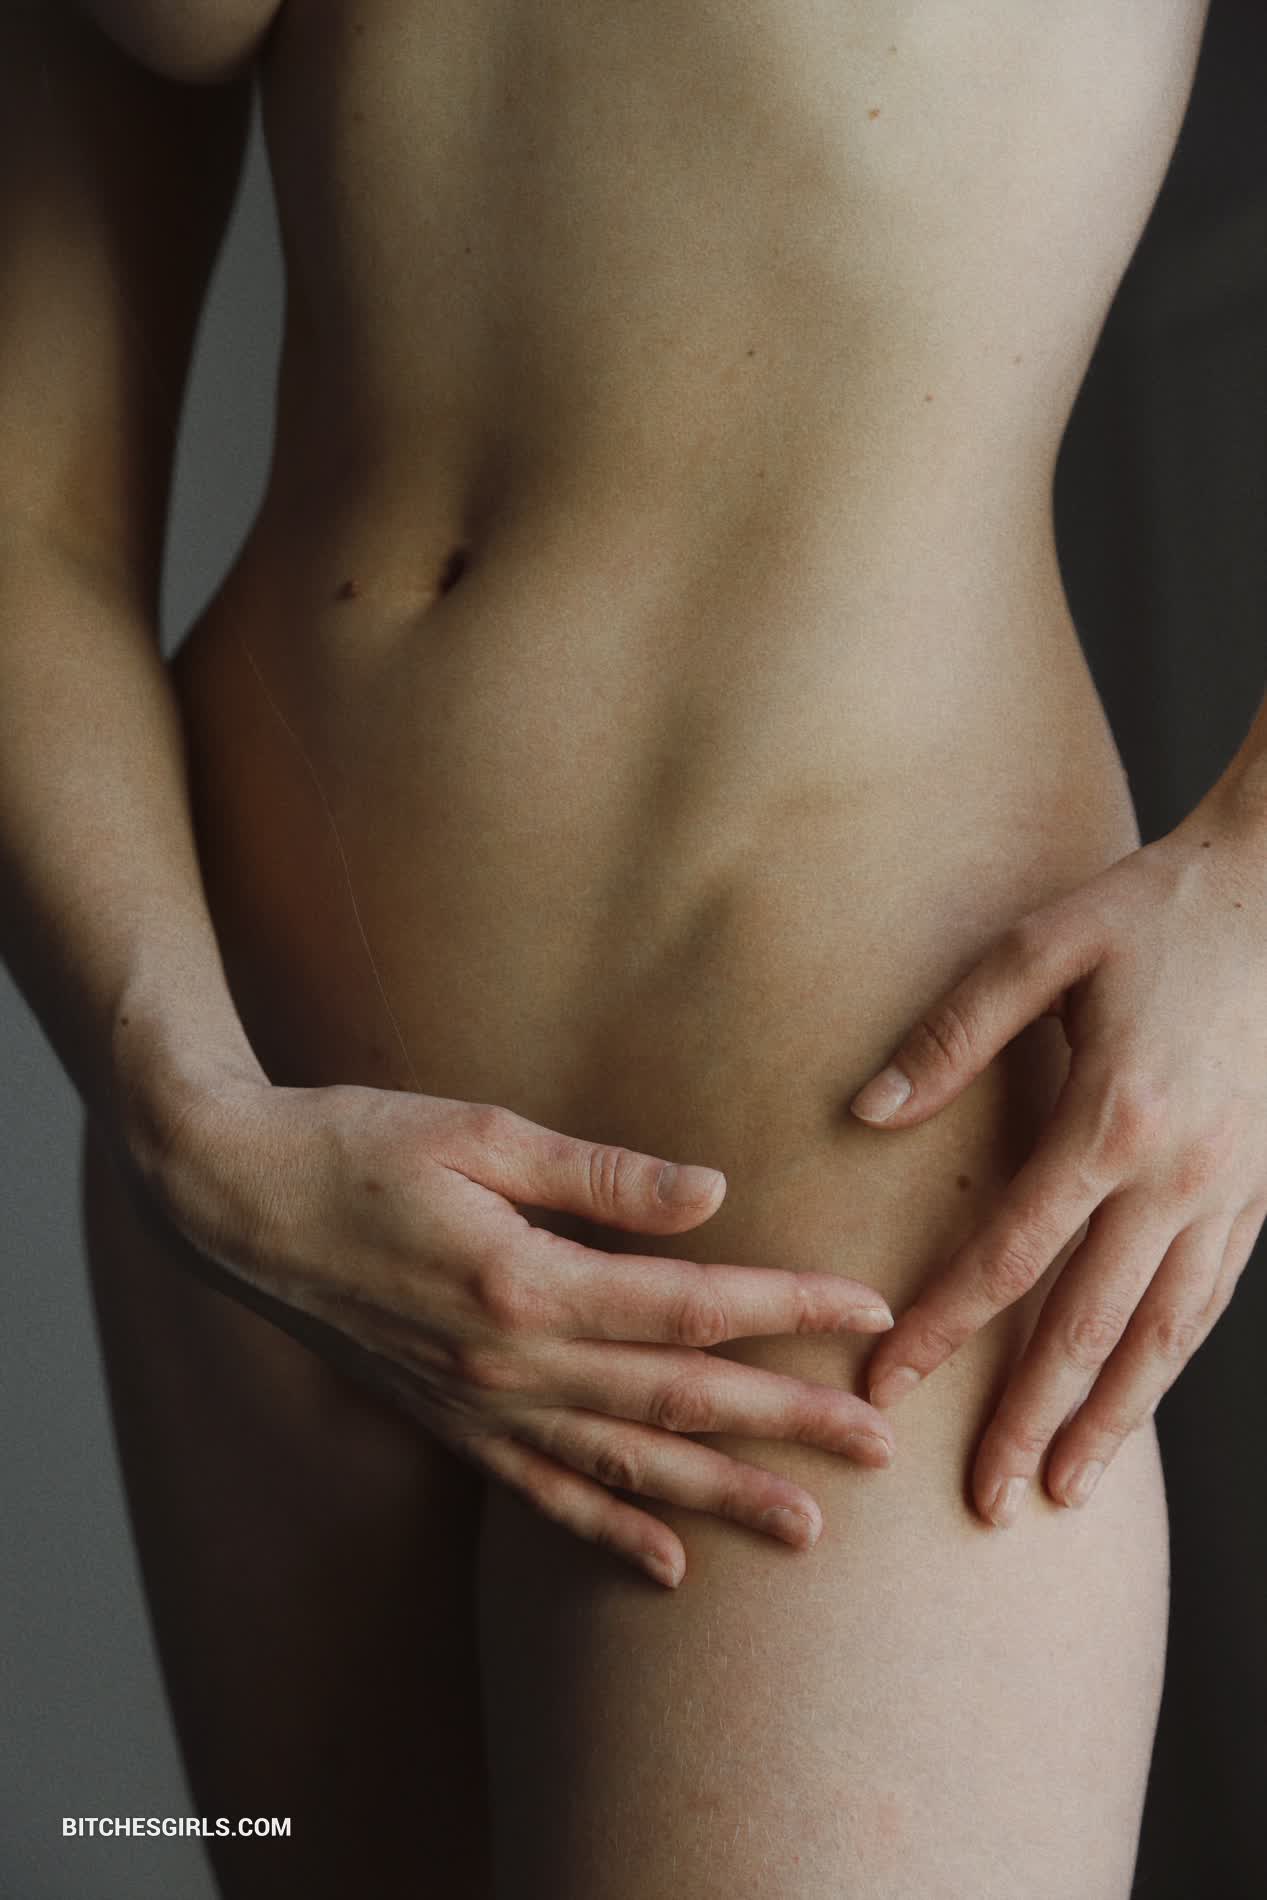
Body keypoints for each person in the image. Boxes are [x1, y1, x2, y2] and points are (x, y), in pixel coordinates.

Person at [4, 1, 1263, 1895]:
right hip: (263, 1131)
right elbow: (29, 508)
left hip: (849, 1133)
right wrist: (180, 1096)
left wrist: (1260, 893)